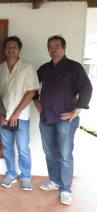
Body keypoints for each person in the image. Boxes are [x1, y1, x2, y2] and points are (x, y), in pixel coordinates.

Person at [33, 35, 93, 205]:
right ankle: (54, 180)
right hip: (46, 118)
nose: (53, 49)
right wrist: (37, 102)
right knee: (50, 153)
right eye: (50, 46)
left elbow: (86, 88)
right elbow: (32, 87)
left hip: (65, 119)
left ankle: (65, 189)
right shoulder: (44, 68)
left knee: (65, 155)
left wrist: (78, 109)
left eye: (57, 46)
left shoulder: (74, 67)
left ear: (64, 48)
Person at [0, 36, 39, 191]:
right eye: (8, 47)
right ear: (4, 50)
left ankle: (26, 176)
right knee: (7, 147)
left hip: (21, 117)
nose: (10, 49)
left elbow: (31, 91)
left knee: (23, 149)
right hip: (3, 118)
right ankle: (11, 174)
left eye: (14, 47)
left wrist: (16, 113)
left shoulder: (27, 67)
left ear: (19, 49)